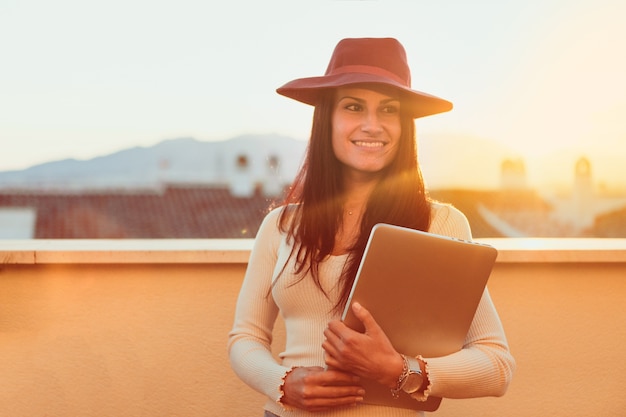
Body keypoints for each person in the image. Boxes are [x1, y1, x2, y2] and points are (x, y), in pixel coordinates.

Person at [228, 37, 515, 417]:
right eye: (353, 106)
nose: (372, 125)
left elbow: (496, 365)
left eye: (389, 110)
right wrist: (283, 383)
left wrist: (402, 371)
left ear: (404, 125)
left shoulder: (440, 223)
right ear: (326, 117)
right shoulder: (280, 225)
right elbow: (245, 338)